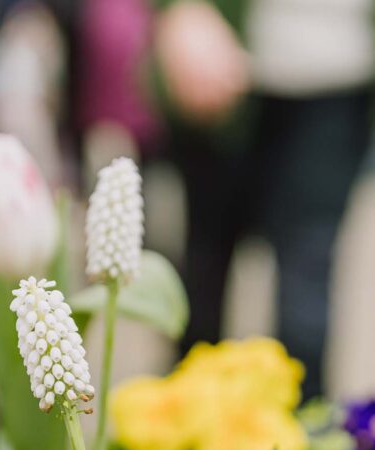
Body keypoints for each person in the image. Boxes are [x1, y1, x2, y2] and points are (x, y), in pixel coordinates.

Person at [154, 0, 375, 398]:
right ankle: (186, 421)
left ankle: (301, 425)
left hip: (337, 74)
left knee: (307, 296)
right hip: (221, 61)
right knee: (201, 284)